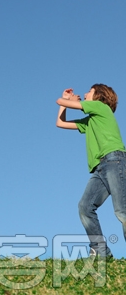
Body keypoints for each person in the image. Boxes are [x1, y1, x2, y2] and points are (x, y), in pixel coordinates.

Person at [56, 84, 126, 258]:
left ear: (98, 96)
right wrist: (64, 104)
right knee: (85, 206)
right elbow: (60, 123)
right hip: (100, 168)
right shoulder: (90, 121)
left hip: (114, 160)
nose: (85, 93)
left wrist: (65, 99)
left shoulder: (100, 107)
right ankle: (100, 250)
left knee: (121, 210)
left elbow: (59, 101)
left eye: (89, 91)